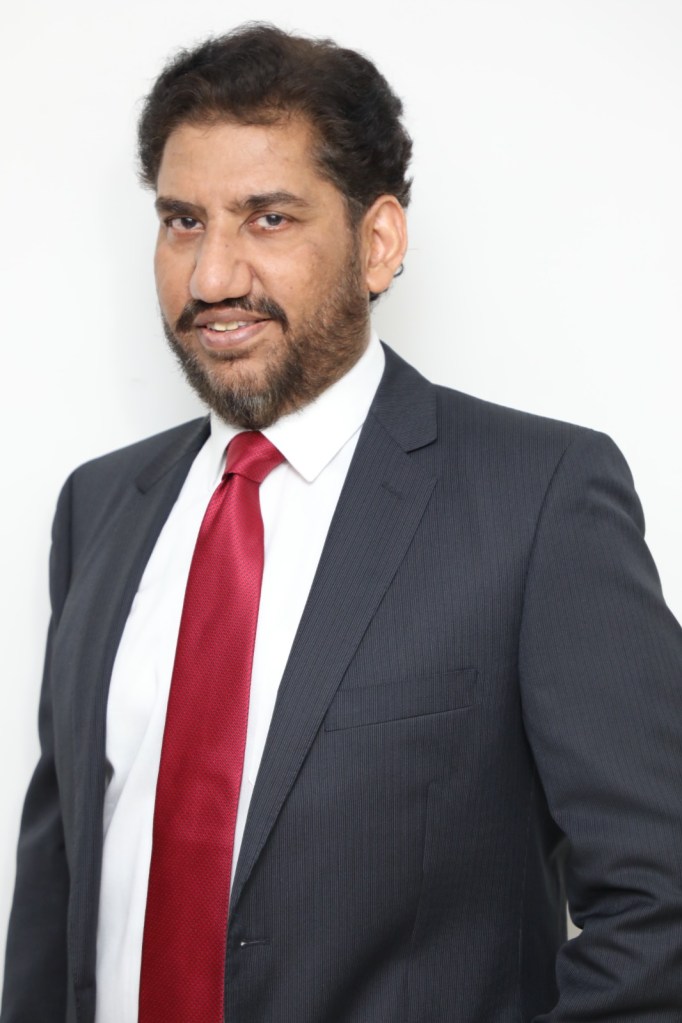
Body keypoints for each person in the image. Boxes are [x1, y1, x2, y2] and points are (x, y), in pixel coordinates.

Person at [2, 22, 681, 1023]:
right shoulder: (98, 507)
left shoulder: (538, 500)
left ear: (378, 242)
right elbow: (57, 884)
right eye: (183, 221)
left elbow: (660, 909)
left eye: (268, 219)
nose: (212, 278)